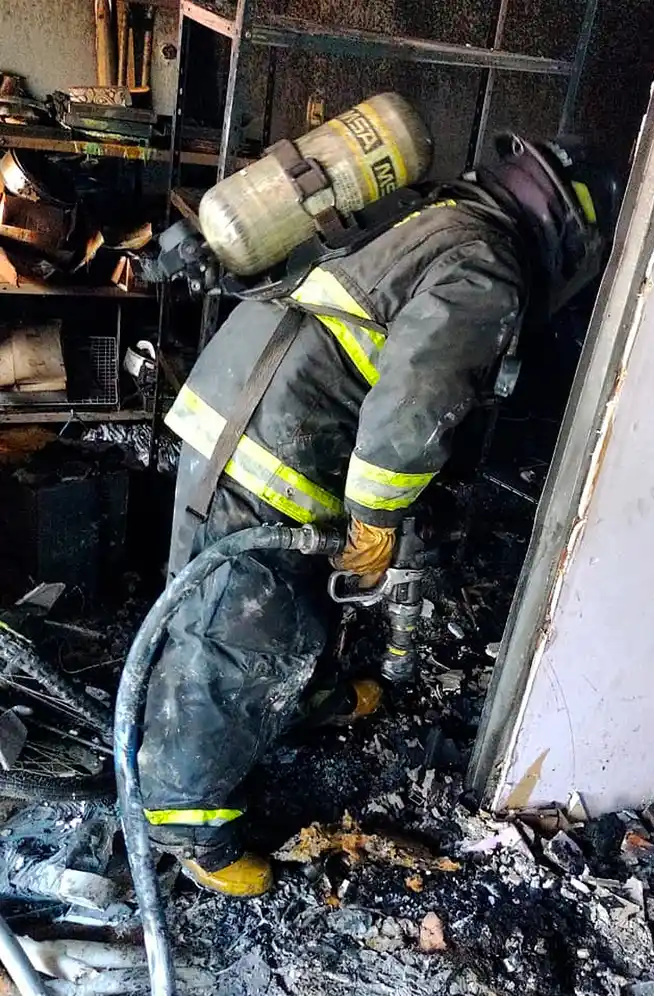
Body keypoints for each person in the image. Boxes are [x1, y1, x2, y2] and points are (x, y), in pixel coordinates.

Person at [137, 134, 619, 897]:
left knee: (262, 602)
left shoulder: (445, 218)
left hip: (251, 399)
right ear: (566, 237)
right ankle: (185, 821)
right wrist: (375, 521)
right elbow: (412, 408)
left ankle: (293, 704)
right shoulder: (485, 267)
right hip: (275, 437)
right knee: (235, 630)